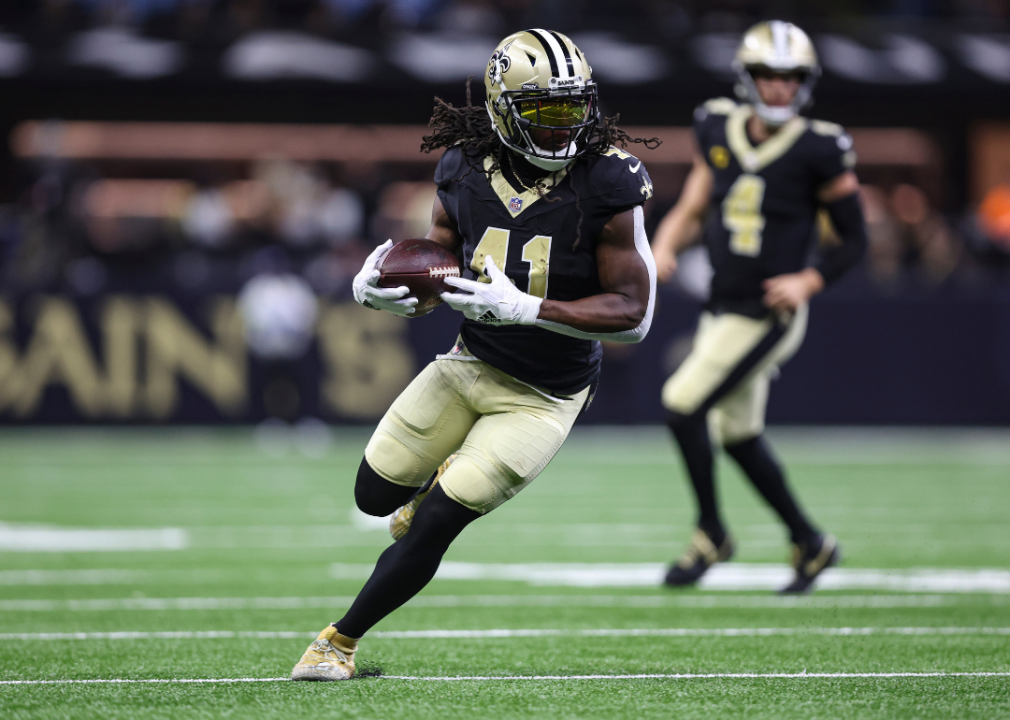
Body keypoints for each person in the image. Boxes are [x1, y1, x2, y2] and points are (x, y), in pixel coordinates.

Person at [289, 29, 658, 680]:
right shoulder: (461, 167)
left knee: (436, 520)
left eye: (574, 110)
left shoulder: (608, 179)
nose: (562, 128)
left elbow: (633, 314)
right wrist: (391, 285)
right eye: (544, 113)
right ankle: (430, 482)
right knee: (374, 497)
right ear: (503, 111)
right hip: (469, 363)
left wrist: (530, 308)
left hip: (544, 395)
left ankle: (337, 644)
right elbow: (443, 257)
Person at [651, 20, 867, 595]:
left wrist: (808, 280)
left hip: (769, 313)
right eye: (768, 76)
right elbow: (696, 202)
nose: (778, 88)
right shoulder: (717, 124)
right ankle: (810, 541)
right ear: (748, 79)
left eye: (790, 77)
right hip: (723, 302)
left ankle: (711, 533)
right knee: (739, 434)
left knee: (682, 404)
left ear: (805, 82)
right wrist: (666, 244)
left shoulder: (820, 145)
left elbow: (855, 239)